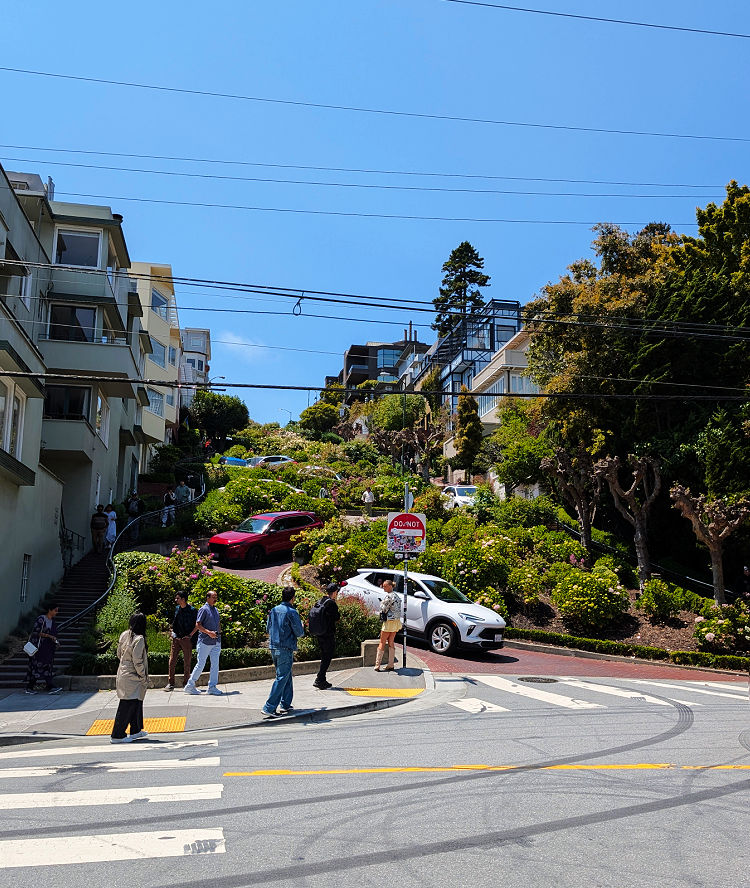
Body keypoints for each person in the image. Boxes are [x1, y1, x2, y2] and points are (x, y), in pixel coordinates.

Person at [262, 586, 304, 717]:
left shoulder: (274, 610)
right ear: (293, 598)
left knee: (286, 675)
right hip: (285, 648)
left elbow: (268, 628)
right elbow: (299, 633)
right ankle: (269, 707)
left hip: (274, 647)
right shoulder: (292, 612)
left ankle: (285, 704)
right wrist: (301, 626)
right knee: (282, 677)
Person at [111, 612, 149, 743]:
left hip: (123, 671)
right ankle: (117, 735)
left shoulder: (124, 634)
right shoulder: (139, 639)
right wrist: (143, 676)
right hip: (133, 674)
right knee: (128, 703)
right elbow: (137, 661)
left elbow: (118, 653)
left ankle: (136, 730)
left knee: (136, 701)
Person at [184, 590, 222, 696]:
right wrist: (209, 633)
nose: (215, 599)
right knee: (200, 664)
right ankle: (190, 686)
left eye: (216, 596)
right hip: (205, 642)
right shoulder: (203, 609)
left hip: (216, 641)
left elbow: (218, 624)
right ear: (208, 597)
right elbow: (198, 625)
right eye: (213, 597)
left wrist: (219, 635)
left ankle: (212, 687)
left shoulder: (216, 610)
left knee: (215, 665)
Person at [25, 603, 61, 695]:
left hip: (47, 648)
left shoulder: (52, 621)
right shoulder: (41, 619)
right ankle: (30, 687)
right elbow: (36, 632)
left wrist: (55, 641)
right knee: (37, 666)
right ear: (50, 610)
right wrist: (49, 636)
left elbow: (54, 634)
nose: (57, 612)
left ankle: (49, 686)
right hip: (39, 647)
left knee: (47, 666)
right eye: (55, 610)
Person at [164, 591, 197, 691]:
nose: (176, 600)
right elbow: (175, 622)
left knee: (187, 662)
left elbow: (197, 624)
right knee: (172, 661)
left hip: (186, 639)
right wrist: (173, 633)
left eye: (178, 598)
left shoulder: (192, 610)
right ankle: (171, 683)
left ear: (183, 599)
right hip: (176, 639)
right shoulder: (177, 609)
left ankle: (186, 683)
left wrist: (190, 636)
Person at [311, 582, 341, 690]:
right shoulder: (331, 603)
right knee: (327, 657)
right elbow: (336, 617)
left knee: (324, 656)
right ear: (334, 592)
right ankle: (320, 679)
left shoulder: (321, 601)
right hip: (328, 634)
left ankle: (321, 678)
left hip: (320, 633)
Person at [375, 579, 402, 672]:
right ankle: (391, 664)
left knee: (382, 642)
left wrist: (381, 603)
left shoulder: (388, 596)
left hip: (389, 621)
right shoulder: (397, 596)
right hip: (396, 621)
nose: (383, 587)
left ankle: (377, 665)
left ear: (390, 586)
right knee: (391, 642)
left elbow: (383, 609)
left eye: (385, 586)